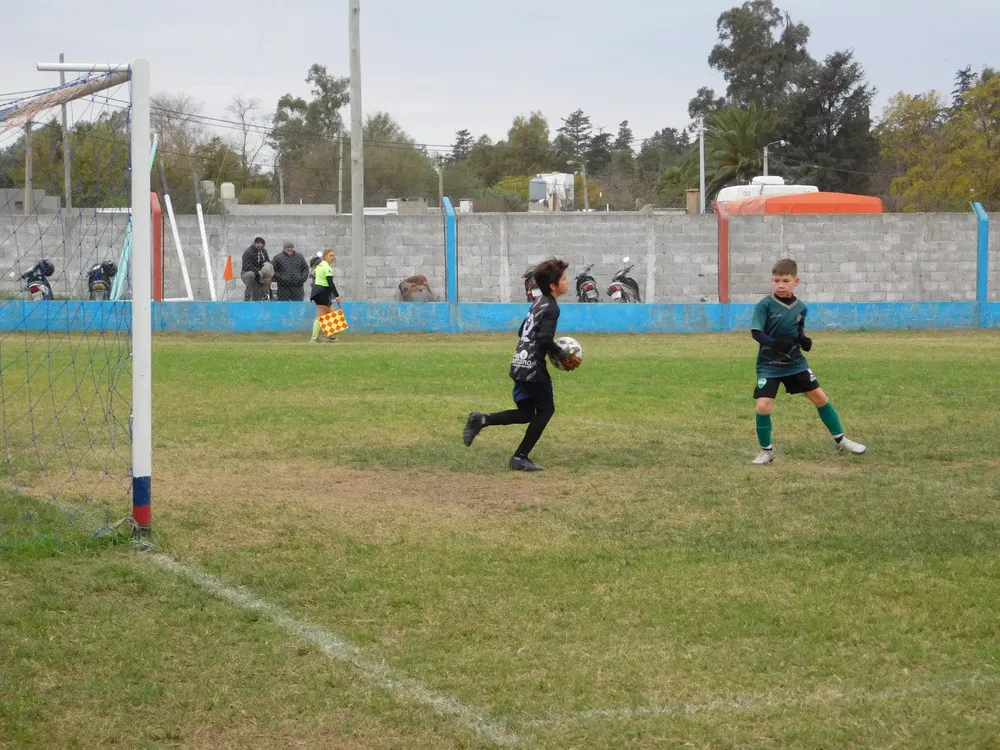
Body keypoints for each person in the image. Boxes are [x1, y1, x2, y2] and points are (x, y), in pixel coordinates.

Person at [462, 258, 580, 471]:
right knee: (546, 410)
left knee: (527, 413)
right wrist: (560, 354)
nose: (567, 281)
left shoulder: (538, 302)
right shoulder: (552, 307)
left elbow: (521, 332)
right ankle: (520, 457)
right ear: (553, 286)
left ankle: (481, 419)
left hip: (519, 362)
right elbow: (544, 339)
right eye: (563, 279)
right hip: (533, 367)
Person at [750, 258, 867, 465]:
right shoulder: (765, 305)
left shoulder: (801, 307)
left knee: (820, 398)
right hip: (769, 365)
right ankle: (766, 452)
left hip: (795, 363)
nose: (780, 285)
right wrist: (776, 344)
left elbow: (798, 331)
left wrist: (803, 340)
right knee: (763, 406)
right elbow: (757, 333)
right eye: (776, 280)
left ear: (796, 281)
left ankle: (841, 440)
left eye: (785, 281)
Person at [309, 248, 341, 343]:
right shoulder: (327, 267)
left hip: (319, 292)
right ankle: (314, 339)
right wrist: (337, 296)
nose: (333, 257)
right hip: (321, 292)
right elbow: (330, 283)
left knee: (331, 311)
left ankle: (328, 336)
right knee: (321, 315)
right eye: (330, 255)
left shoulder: (320, 265)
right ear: (325, 256)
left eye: (334, 256)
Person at [241, 236, 270, 301]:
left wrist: (268, 268)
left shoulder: (264, 251)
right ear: (254, 243)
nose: (259, 245)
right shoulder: (248, 252)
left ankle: (265, 295)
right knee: (251, 274)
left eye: (261, 243)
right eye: (258, 243)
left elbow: (267, 261)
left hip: (260, 273)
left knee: (269, 269)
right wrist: (258, 272)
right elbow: (247, 266)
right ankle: (247, 295)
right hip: (247, 273)